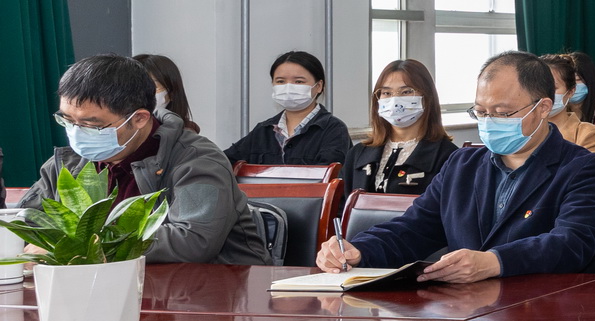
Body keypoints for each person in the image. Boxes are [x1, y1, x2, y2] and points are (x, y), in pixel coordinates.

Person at [317, 51, 595, 281]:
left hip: (543, 312)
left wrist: (494, 261)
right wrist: (359, 249)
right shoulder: (462, 164)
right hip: (466, 313)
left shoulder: (584, 168)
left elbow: (572, 242)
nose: (489, 121)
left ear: (543, 107)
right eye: (481, 112)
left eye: (503, 113)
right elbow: (415, 227)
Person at [21, 54, 267, 264]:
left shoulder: (197, 159)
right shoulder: (69, 162)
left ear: (139, 118)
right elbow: (26, 221)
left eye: (91, 125)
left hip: (210, 289)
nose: (76, 132)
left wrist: (89, 248)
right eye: (68, 120)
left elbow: (194, 240)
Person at [341, 58, 456, 197]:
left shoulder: (449, 157)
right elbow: (341, 205)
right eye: (386, 93)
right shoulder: (357, 154)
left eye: (406, 92)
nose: (395, 100)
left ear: (427, 97)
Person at [224, 50, 352, 166]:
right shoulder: (263, 130)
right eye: (280, 81)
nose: (288, 88)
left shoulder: (334, 130)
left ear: (319, 86)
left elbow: (331, 175)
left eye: (299, 81)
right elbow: (225, 161)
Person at [540, 56, 595, 154]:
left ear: (571, 91)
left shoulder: (587, 135)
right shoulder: (523, 131)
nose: (545, 95)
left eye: (553, 88)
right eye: (538, 88)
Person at [134, 54, 200, 134]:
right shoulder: (122, 129)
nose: (140, 94)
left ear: (172, 93)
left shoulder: (183, 136)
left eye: (151, 87)